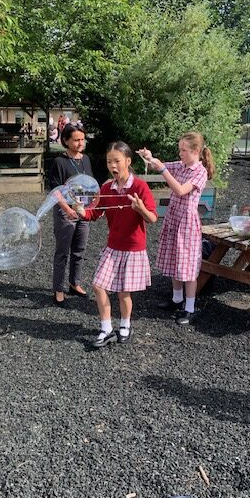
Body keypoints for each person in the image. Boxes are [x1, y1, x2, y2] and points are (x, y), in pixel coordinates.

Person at [78, 141, 157, 348]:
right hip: (113, 247)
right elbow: (94, 213)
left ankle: (125, 325)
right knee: (98, 285)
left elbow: (152, 218)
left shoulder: (140, 186)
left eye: (117, 161)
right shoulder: (106, 188)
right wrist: (80, 211)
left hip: (132, 248)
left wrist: (140, 208)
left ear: (128, 162)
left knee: (123, 292)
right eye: (108, 161)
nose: (112, 165)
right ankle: (105, 328)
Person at [137, 132, 215, 326]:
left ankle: (190, 308)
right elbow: (159, 165)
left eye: (183, 150)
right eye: (179, 149)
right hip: (174, 218)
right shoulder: (181, 165)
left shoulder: (199, 171)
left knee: (187, 266)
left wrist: (163, 169)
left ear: (196, 151)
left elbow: (180, 190)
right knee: (174, 259)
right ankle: (177, 299)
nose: (180, 153)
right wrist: (149, 157)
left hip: (187, 223)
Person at [49, 122, 95, 306]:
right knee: (62, 252)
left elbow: (91, 185)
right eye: (76, 140)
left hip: (83, 211)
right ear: (66, 141)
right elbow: (55, 189)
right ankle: (58, 288)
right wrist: (67, 209)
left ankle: (74, 283)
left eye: (82, 139)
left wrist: (91, 207)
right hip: (65, 212)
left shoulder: (86, 160)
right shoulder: (60, 162)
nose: (80, 143)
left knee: (80, 250)